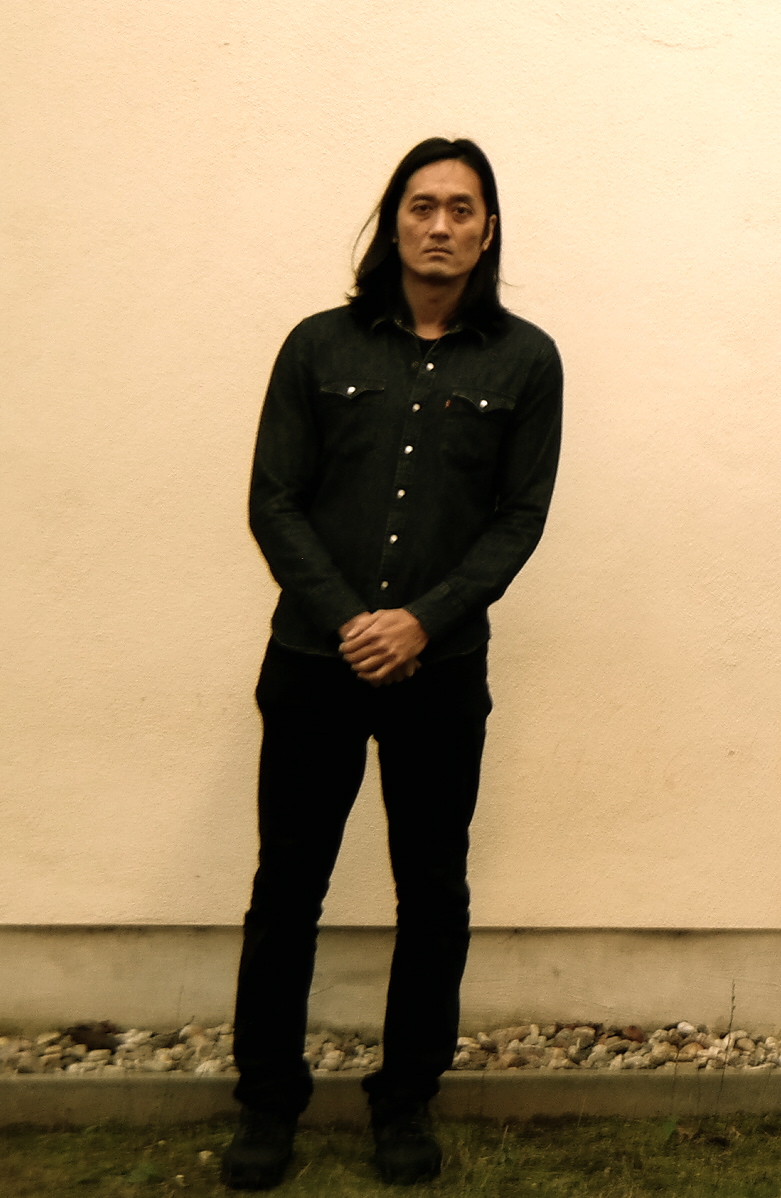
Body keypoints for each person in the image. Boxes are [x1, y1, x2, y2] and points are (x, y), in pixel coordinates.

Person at [226, 137, 564, 1191]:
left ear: (488, 231)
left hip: (442, 670)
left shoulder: (526, 361)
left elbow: (519, 518)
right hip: (311, 663)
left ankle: (405, 1100)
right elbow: (273, 499)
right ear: (394, 221)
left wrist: (421, 620)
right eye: (422, 206)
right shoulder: (317, 347)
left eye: (462, 208)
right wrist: (351, 621)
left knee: (432, 890)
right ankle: (267, 1104)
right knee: (288, 887)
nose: (441, 225)